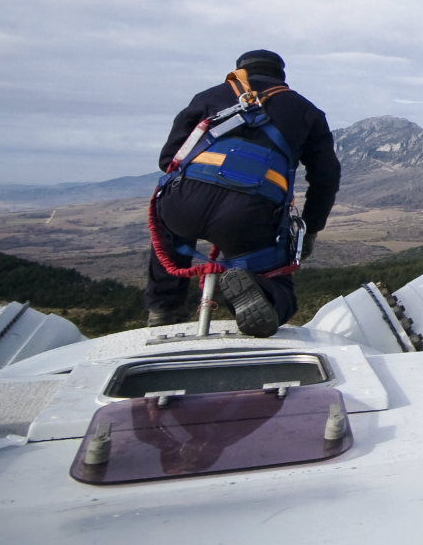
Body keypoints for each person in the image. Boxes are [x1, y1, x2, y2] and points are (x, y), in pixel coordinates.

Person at [146, 50, 341, 336]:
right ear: (281, 77)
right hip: (247, 216)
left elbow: (169, 159)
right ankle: (266, 298)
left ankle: (164, 308)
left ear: (239, 71)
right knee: (277, 276)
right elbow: (326, 178)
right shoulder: (306, 111)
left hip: (183, 203)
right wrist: (309, 231)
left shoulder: (208, 97)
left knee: (170, 232)